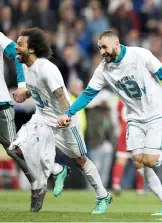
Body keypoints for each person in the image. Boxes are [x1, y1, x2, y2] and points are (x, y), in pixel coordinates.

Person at [57, 30, 162, 216]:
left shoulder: (140, 55)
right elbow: (88, 93)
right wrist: (69, 112)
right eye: (99, 48)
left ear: (116, 44)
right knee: (138, 162)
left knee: (151, 160)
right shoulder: (103, 69)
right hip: (134, 117)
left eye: (104, 47)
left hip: (156, 112)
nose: (102, 52)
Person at [10, 27, 111, 214]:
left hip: (62, 120)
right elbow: (40, 88)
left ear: (31, 49)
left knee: (80, 160)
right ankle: (57, 170)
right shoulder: (26, 66)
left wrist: (67, 117)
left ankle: (102, 195)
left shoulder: (46, 68)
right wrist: (27, 92)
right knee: (18, 149)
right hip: (41, 118)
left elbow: (60, 95)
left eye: (20, 44)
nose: (16, 47)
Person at [0, 31, 35, 189]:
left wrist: (22, 85)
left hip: (1, 106)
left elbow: (18, 53)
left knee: (13, 149)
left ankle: (37, 182)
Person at [112, 100, 145, 196]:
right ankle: (140, 189)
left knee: (121, 160)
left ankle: (116, 184)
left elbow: (116, 118)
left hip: (124, 131)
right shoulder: (140, 99)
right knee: (140, 162)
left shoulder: (120, 100)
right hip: (137, 131)